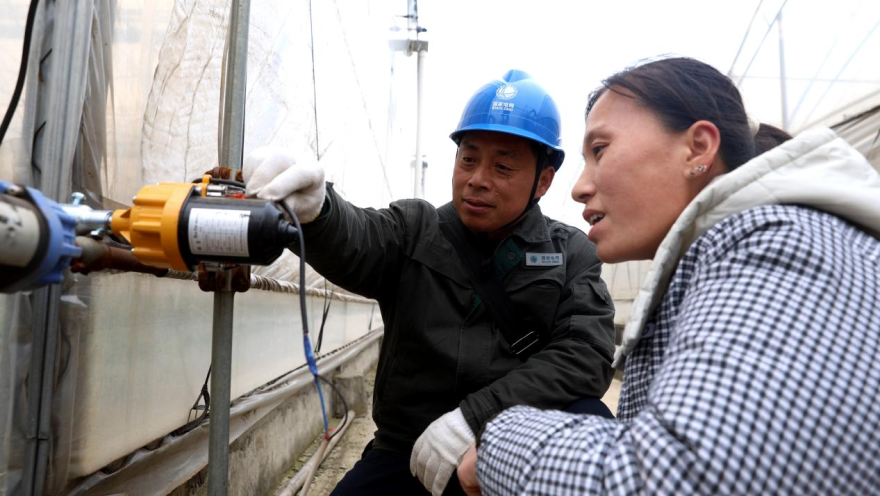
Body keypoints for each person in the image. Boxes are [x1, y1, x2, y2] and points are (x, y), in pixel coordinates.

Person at [459, 57, 880, 495]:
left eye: (600, 150)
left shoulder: (778, 245)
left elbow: (674, 479)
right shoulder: (738, 252)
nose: (579, 187)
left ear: (698, 148)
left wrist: (496, 444)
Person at [243, 70, 617, 495]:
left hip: (511, 451)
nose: (477, 178)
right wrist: (320, 210)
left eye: (503, 165)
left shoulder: (570, 252)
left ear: (543, 181)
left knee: (591, 419)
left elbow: (585, 354)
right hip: (408, 453)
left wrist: (476, 418)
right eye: (468, 159)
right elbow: (360, 238)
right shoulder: (415, 230)